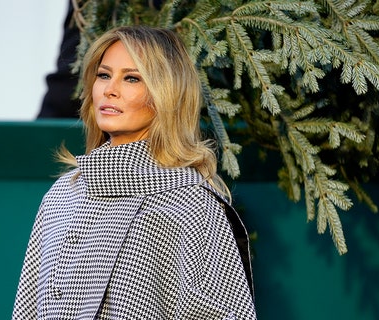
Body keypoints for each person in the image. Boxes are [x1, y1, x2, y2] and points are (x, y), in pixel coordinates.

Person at [13, 26, 257, 319]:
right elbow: (26, 309)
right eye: (103, 75)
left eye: (132, 78)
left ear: (165, 93)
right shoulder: (63, 195)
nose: (109, 89)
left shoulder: (191, 204)